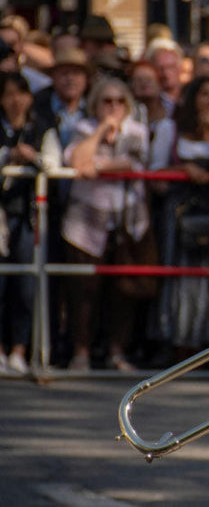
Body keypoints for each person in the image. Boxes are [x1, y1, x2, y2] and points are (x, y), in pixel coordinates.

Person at [63, 77, 151, 371]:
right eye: (107, 101)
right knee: (83, 289)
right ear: (96, 104)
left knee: (123, 290)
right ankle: (82, 352)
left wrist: (97, 166)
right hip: (86, 222)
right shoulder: (84, 128)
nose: (114, 107)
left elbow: (134, 162)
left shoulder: (137, 130)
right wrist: (101, 130)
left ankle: (116, 352)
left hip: (127, 219)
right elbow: (76, 160)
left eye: (120, 101)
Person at [151, 76, 209, 360]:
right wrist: (183, 168)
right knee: (180, 278)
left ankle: (205, 344)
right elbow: (154, 175)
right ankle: (175, 343)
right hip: (179, 212)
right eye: (204, 94)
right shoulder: (169, 128)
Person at [0, 72, 62, 374]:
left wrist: (33, 156)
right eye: (8, 94)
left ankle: (20, 349)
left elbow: (54, 164)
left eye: (20, 93)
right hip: (1, 214)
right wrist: (8, 155)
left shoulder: (42, 127)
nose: (15, 101)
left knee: (26, 284)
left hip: (28, 215)